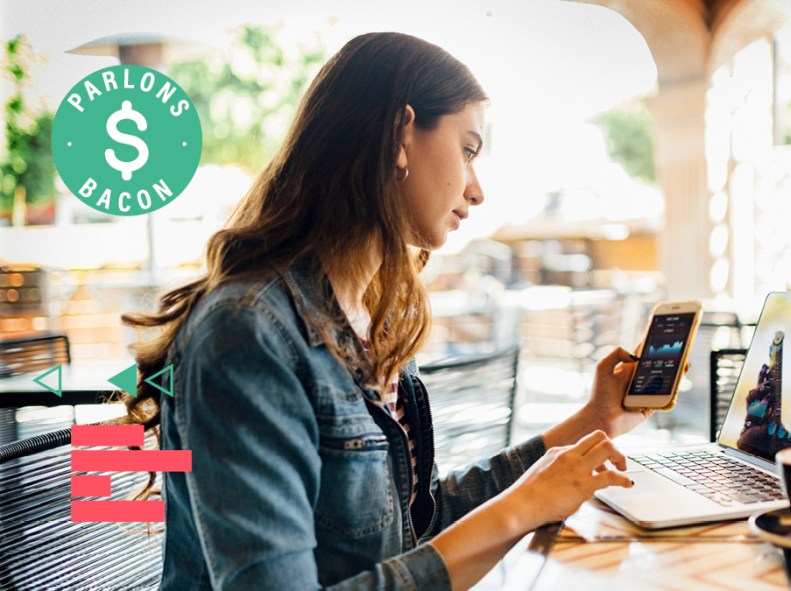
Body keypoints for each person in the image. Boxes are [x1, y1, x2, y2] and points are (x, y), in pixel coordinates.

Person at [122, 32, 654, 591]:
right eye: (468, 150)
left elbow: (413, 529)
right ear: (402, 133)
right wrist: (520, 509)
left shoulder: (375, 315)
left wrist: (596, 420)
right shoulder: (247, 332)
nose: (477, 190)